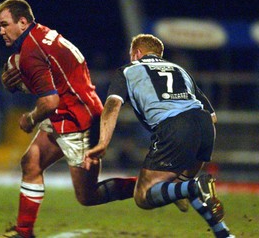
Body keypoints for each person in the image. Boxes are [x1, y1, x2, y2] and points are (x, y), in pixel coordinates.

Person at [0, 0, 136, 238]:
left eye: (5, 24)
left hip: (78, 122)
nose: (1, 31)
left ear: (22, 22)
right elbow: (57, 79)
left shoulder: (30, 52)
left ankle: (154, 187)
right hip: (72, 110)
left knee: (88, 196)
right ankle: (24, 232)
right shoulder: (42, 34)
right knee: (31, 163)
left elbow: (49, 101)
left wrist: (30, 118)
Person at [84, 34, 234, 238]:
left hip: (174, 127)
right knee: (178, 188)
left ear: (137, 53)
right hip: (205, 127)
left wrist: (103, 142)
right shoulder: (180, 70)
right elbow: (213, 116)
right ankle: (223, 233)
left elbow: (112, 105)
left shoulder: (128, 70)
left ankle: (194, 186)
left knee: (143, 195)